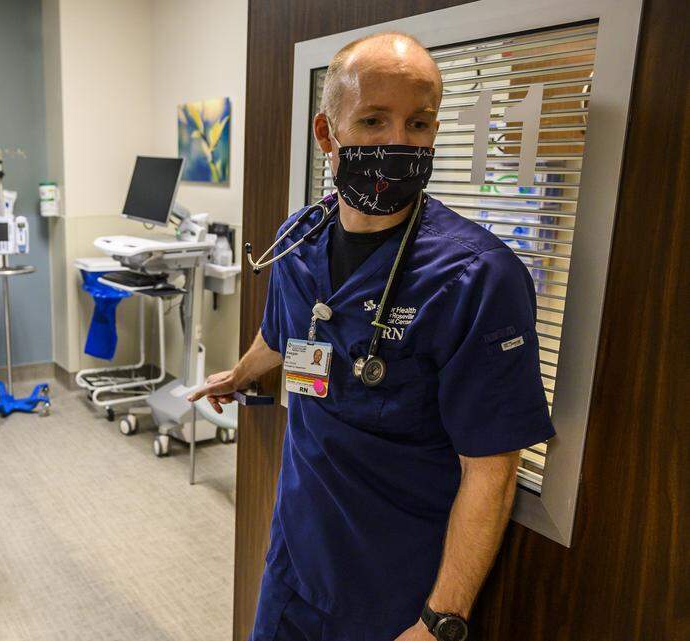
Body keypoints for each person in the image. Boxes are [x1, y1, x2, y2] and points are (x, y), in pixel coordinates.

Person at [188, 31, 555, 641]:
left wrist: (440, 619)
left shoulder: (477, 278)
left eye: (418, 125)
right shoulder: (299, 239)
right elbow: (283, 335)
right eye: (374, 121)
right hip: (296, 561)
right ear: (328, 135)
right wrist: (243, 372)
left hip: (395, 588)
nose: (398, 143)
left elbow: (491, 467)